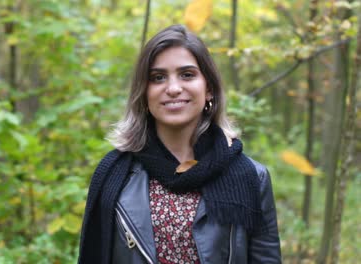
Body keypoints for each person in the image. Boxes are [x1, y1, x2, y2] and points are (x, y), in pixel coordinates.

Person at [78, 24, 281, 264]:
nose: (173, 88)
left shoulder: (252, 177)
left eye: (187, 74)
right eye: (158, 77)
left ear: (209, 90)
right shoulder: (114, 175)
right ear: (143, 93)